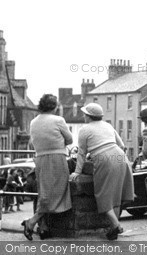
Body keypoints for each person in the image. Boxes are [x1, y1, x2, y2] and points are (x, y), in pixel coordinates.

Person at [72, 103, 134, 240]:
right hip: (120, 156)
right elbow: (122, 145)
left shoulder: (84, 129)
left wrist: (77, 172)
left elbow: (81, 153)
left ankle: (116, 225)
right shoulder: (108, 126)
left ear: (89, 116)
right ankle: (113, 229)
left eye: (84, 114)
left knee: (102, 195)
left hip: (103, 158)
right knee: (116, 195)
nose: (83, 116)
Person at [22, 94, 73, 240]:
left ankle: (43, 227)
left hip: (40, 158)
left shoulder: (33, 122)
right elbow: (70, 139)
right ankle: (32, 222)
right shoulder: (58, 120)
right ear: (55, 106)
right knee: (59, 191)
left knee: (44, 193)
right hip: (57, 157)